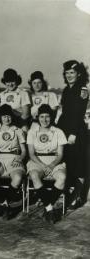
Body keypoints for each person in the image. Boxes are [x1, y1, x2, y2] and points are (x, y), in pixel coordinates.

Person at [57, 60, 89, 209]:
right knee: (68, 163)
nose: (69, 75)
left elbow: (79, 114)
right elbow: (64, 113)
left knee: (78, 165)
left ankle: (78, 196)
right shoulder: (66, 89)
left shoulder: (82, 89)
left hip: (76, 132)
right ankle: (69, 193)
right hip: (64, 129)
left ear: (79, 74)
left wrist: (73, 133)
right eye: (67, 73)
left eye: (72, 73)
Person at [27, 104, 67, 223]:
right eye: (42, 117)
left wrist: (51, 165)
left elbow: (60, 154)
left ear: (52, 117)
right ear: (38, 118)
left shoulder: (58, 132)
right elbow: (31, 154)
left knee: (62, 177)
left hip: (55, 161)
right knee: (34, 175)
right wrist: (43, 166)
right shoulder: (32, 132)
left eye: (47, 117)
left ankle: (46, 206)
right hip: (37, 161)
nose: (45, 120)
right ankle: (49, 208)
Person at [0, 104, 27, 219]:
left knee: (18, 177)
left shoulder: (18, 131)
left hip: (14, 159)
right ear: (0, 117)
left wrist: (19, 159)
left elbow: (24, 151)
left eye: (9, 116)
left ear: (12, 117)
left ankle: (4, 204)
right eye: (4, 116)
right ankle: (5, 203)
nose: (6, 119)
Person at [0, 68, 31, 133]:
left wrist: (14, 125)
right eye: (8, 82)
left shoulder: (23, 93)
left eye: (12, 81)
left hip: (19, 123)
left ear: (17, 81)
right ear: (4, 82)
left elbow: (26, 114)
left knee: (25, 130)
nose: (10, 84)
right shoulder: (1, 94)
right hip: (5, 123)